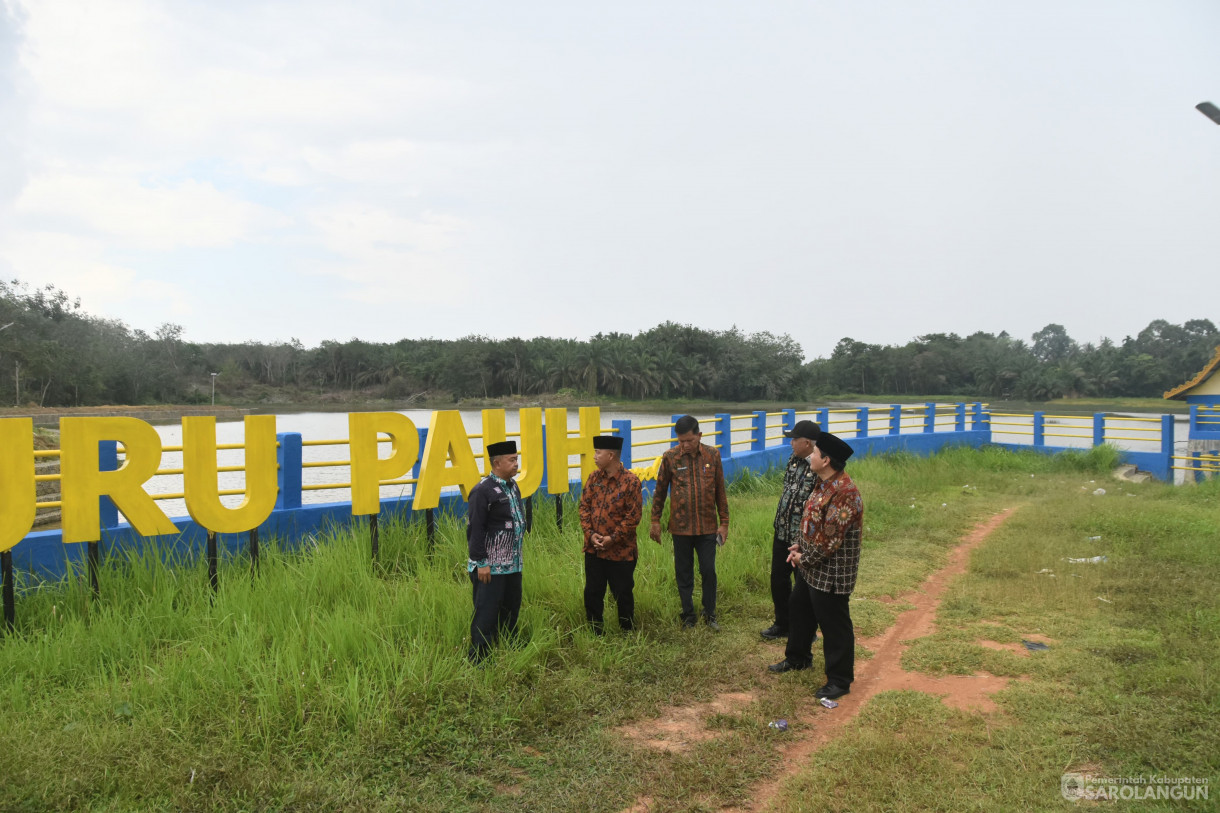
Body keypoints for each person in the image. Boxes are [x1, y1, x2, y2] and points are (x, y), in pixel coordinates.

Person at [768, 431, 863, 702]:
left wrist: (802, 559)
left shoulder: (844, 493)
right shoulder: (823, 484)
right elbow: (811, 523)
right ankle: (798, 658)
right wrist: (798, 544)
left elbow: (829, 542)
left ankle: (840, 679)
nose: (812, 455)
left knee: (835, 626)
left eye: (817, 453)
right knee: (799, 610)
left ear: (827, 460)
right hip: (811, 570)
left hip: (831, 573)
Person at [649, 415, 730, 629]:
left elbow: (720, 490)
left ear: (699, 436)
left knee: (708, 571)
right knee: (683, 572)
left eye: (689, 441)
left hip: (707, 527)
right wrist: (654, 520)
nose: (684, 445)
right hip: (680, 527)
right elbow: (659, 492)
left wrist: (725, 522)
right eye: (681, 441)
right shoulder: (670, 457)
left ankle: (709, 613)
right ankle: (688, 615)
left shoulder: (712, 455)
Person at [760, 420, 822, 641]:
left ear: (807, 442)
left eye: (794, 439)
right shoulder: (793, 460)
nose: (791, 443)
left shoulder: (820, 464)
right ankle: (782, 623)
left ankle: (806, 629)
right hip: (783, 531)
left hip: (804, 536)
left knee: (804, 586)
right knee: (778, 579)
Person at [466, 440, 527, 664]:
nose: (516, 463)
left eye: (516, 459)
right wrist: (481, 561)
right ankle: (480, 658)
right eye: (511, 460)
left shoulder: (513, 486)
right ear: (497, 462)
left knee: (511, 607)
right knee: (486, 611)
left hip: (513, 564)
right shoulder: (482, 491)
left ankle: (510, 645)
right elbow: (475, 528)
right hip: (489, 567)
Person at [578, 435, 644, 633]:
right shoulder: (593, 478)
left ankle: (627, 630)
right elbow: (584, 508)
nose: (594, 456)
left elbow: (633, 517)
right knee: (592, 592)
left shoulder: (631, 482)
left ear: (611, 455)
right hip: (594, 549)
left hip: (621, 552)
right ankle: (595, 631)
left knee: (622, 593)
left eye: (598, 453)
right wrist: (590, 535)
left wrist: (612, 539)